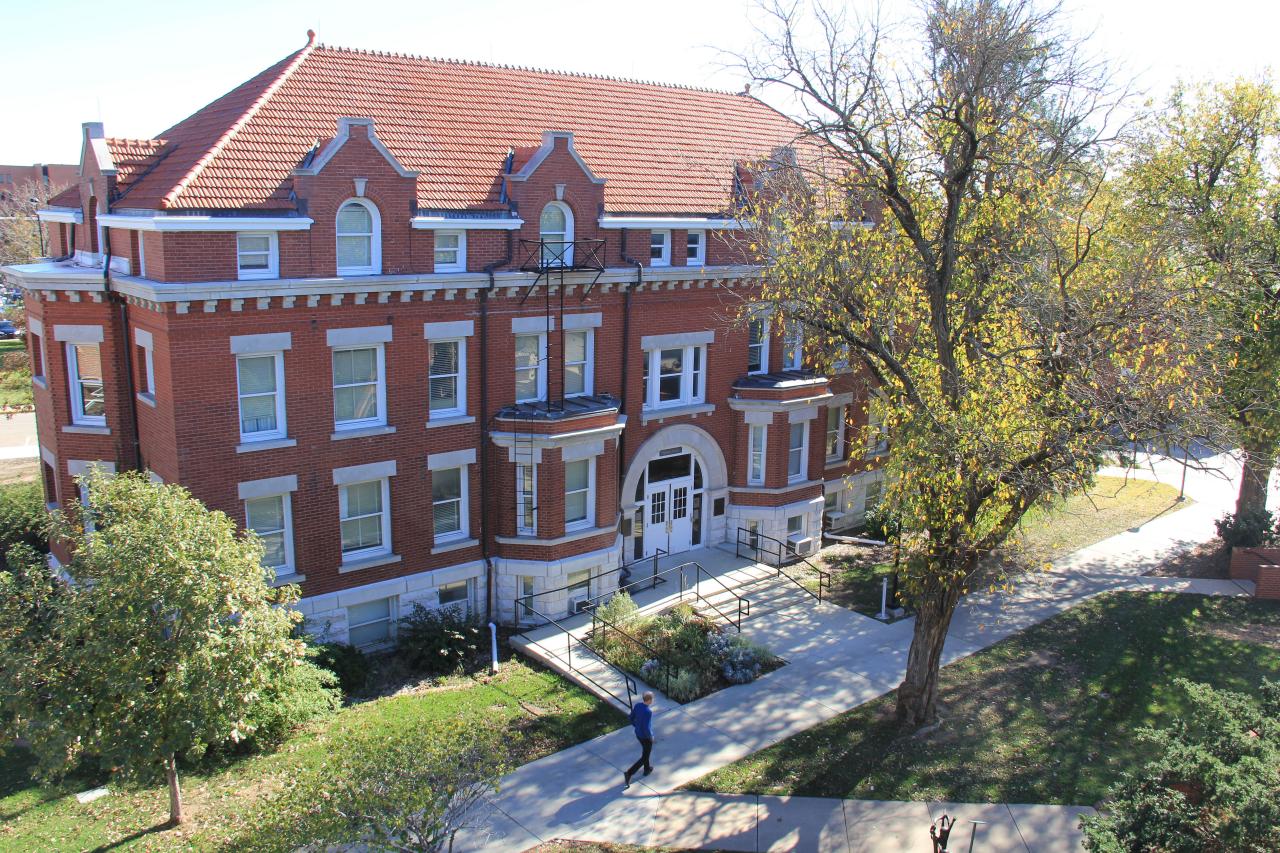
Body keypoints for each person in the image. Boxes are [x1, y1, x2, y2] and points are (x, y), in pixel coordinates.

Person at [623, 691, 654, 788]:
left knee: (646, 752)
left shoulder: (637, 706)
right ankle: (629, 773)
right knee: (645, 756)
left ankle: (647, 769)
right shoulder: (648, 712)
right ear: (649, 700)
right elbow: (646, 727)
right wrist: (651, 736)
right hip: (645, 737)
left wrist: (636, 726)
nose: (652, 700)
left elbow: (631, 717)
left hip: (638, 734)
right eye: (652, 699)